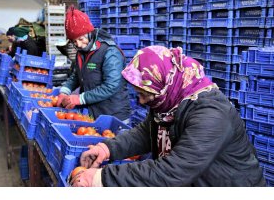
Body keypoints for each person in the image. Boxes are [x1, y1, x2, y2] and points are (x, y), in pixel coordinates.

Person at [70, 45, 266, 187]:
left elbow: (173, 172)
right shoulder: (168, 103)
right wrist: (108, 148)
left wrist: (101, 178)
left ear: (165, 84)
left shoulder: (211, 116)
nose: (142, 102)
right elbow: (146, 133)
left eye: (145, 94)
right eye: (139, 94)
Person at [56, 8, 131, 123]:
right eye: (74, 42)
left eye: (81, 39)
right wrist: (64, 91)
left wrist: (80, 98)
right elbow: (77, 75)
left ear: (89, 33)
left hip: (114, 116)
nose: (79, 45)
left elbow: (111, 86)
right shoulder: (81, 52)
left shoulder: (110, 52)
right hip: (93, 113)